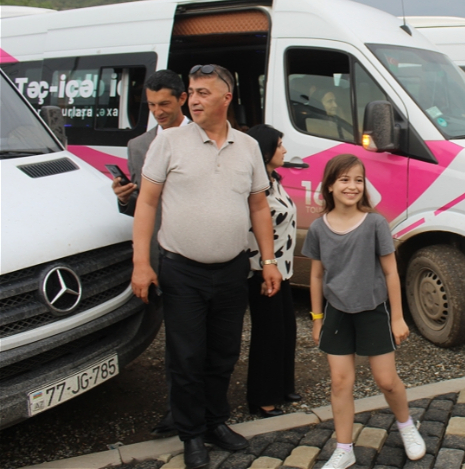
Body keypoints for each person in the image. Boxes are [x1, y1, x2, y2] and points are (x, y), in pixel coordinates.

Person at [131, 63, 283, 469]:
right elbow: (146, 202)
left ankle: (215, 422)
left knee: (223, 353)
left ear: (226, 98)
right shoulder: (168, 143)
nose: (194, 100)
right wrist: (141, 263)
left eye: (203, 93)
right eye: (192, 92)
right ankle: (191, 434)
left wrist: (268, 261)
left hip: (232, 270)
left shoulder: (247, 146)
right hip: (182, 271)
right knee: (186, 357)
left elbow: (258, 206)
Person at [303, 154, 426, 469]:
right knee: (340, 382)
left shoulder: (375, 223)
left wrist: (397, 317)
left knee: (386, 380)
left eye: (358, 180)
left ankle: (406, 425)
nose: (352, 186)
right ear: (330, 185)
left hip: (373, 311)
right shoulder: (318, 228)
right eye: (344, 179)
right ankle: (344, 449)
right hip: (336, 314)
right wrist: (317, 319)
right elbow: (316, 276)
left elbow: (391, 272)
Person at [112, 69, 188, 438]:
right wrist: (123, 198)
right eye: (152, 105)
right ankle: (179, 413)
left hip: (203, 254)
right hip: (162, 258)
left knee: (208, 341)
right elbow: (142, 209)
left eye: (164, 104)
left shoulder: (205, 135)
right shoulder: (139, 146)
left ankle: (207, 410)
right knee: (177, 343)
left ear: (182, 99)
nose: (157, 111)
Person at [245, 125, 300, 418]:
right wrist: (266, 265)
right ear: (265, 151)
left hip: (284, 270)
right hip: (262, 271)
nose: (285, 150)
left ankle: (283, 386)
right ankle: (262, 398)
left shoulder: (274, 180)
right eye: (279, 145)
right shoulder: (254, 187)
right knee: (268, 335)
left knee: (287, 331)